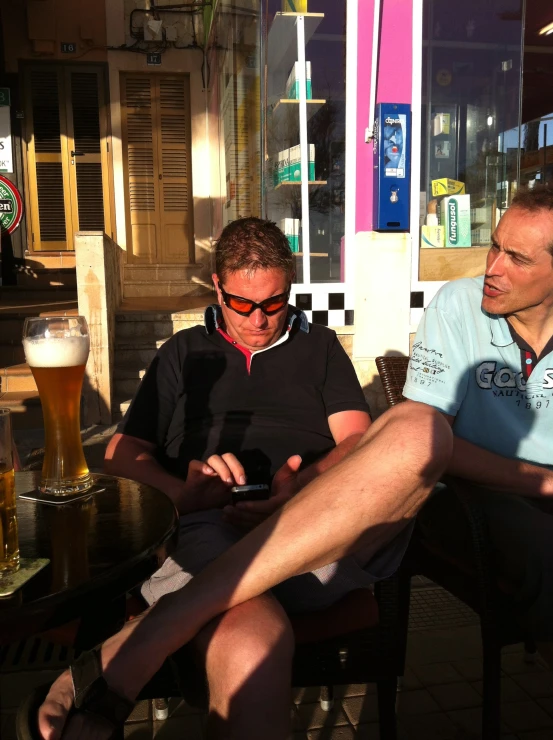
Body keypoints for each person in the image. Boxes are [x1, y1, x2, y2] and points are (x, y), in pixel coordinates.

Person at [34, 218, 453, 740]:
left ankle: (160, 627)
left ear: (291, 285)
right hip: (211, 524)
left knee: (420, 428)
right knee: (251, 635)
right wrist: (180, 496)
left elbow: (356, 441)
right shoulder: (183, 353)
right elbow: (122, 452)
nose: (259, 320)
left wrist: (302, 489)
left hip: (315, 526)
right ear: (217, 286)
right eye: (242, 303)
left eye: (274, 303)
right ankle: (212, 621)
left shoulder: (320, 347)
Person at [403, 185, 553, 660]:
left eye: (518, 259)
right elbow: (429, 438)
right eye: (494, 246)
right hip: (467, 494)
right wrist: (545, 484)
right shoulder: (457, 306)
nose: (492, 268)